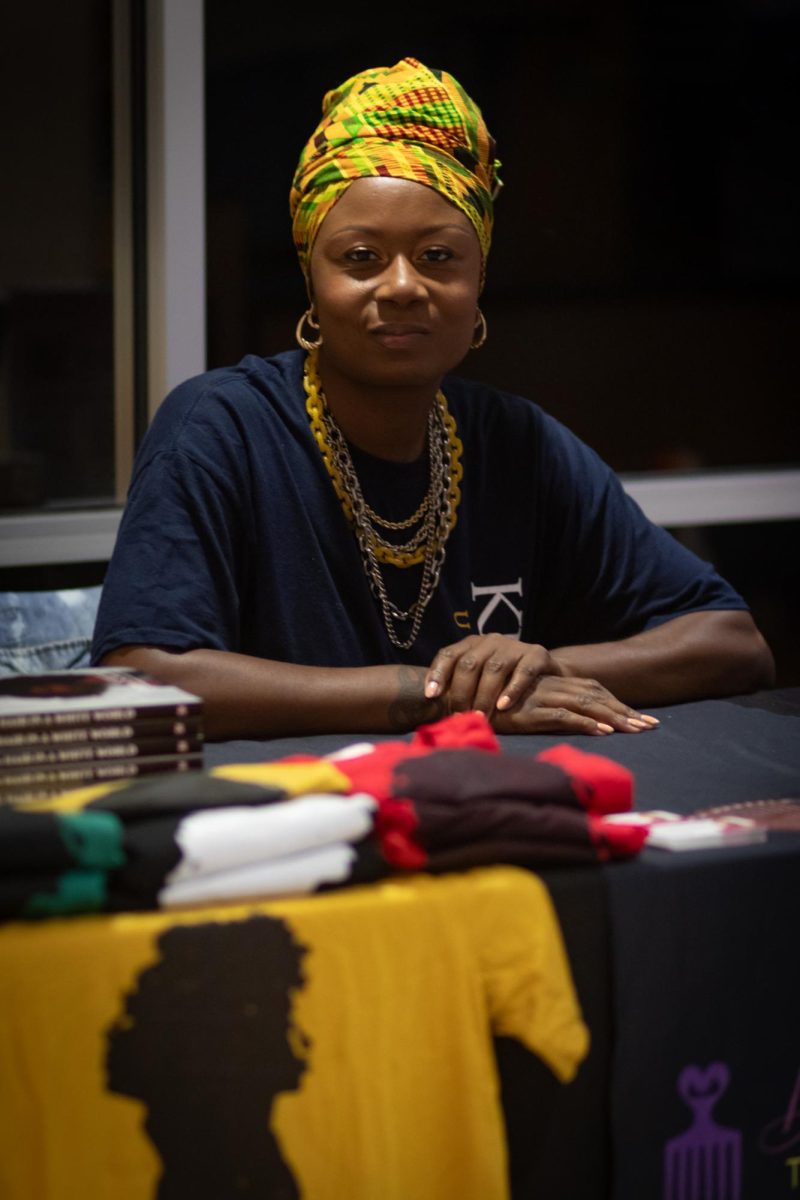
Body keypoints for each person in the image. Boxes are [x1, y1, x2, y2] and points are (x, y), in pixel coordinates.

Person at [92, 57, 774, 740]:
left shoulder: (517, 443)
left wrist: (525, 672)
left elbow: (733, 642)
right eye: (360, 258)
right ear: (312, 279)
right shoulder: (220, 427)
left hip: (474, 809)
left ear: (478, 279)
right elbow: (144, 675)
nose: (401, 287)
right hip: (291, 820)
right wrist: (436, 694)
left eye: (438, 257)